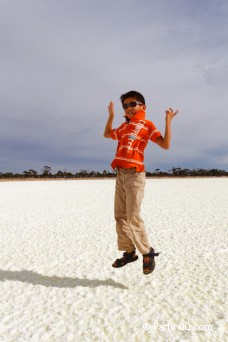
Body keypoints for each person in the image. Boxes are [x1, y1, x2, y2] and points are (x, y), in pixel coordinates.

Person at [103, 90, 178, 275]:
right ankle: (129, 252)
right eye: (125, 106)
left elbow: (165, 144)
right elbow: (107, 134)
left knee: (133, 216)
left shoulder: (146, 125)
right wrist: (111, 116)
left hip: (135, 175)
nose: (128, 108)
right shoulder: (122, 127)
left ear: (143, 107)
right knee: (120, 216)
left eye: (132, 104)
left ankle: (147, 252)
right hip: (120, 174)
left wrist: (168, 122)